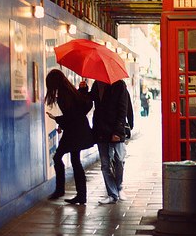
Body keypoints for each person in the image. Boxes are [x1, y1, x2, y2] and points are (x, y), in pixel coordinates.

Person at [44, 69, 94, 204]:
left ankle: (61, 190)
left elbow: (71, 116)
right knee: (74, 161)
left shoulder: (64, 95)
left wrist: (57, 119)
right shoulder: (70, 91)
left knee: (59, 157)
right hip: (78, 130)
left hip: (74, 132)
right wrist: (83, 91)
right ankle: (80, 195)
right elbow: (80, 110)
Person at [83, 79, 133, 204]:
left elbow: (123, 108)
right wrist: (83, 89)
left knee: (119, 160)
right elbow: (88, 100)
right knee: (105, 164)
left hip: (116, 129)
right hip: (101, 130)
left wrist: (118, 131)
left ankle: (119, 186)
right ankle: (112, 194)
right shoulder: (96, 85)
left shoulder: (119, 85)